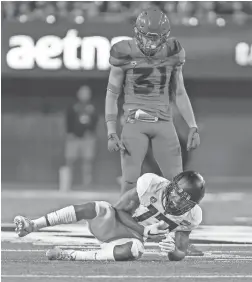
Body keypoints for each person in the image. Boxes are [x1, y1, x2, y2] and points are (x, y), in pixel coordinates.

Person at [105, 6, 200, 196]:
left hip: (164, 122)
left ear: (164, 36)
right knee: (130, 181)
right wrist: (111, 131)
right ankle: (124, 222)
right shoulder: (123, 52)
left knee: (177, 183)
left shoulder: (173, 52)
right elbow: (112, 94)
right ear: (138, 32)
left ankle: (175, 221)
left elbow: (179, 92)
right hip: (134, 122)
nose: (150, 42)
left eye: (155, 37)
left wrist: (193, 126)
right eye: (147, 36)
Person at [14, 170, 205, 262]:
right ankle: (33, 225)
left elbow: (180, 253)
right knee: (100, 207)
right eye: (175, 191)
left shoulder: (192, 216)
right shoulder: (152, 184)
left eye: (182, 198)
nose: (174, 197)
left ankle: (69, 255)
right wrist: (145, 230)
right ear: (171, 185)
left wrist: (172, 250)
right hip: (113, 224)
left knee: (135, 250)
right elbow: (119, 210)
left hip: (129, 240)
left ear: (191, 204)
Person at [60, 86, 99, 191]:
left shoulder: (93, 107)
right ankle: (67, 184)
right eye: (82, 93)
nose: (84, 95)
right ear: (78, 94)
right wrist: (69, 133)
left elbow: (95, 120)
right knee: (70, 160)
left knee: (87, 161)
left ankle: (86, 184)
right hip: (74, 137)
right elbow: (68, 119)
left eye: (87, 93)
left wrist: (91, 132)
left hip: (87, 138)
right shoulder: (73, 106)